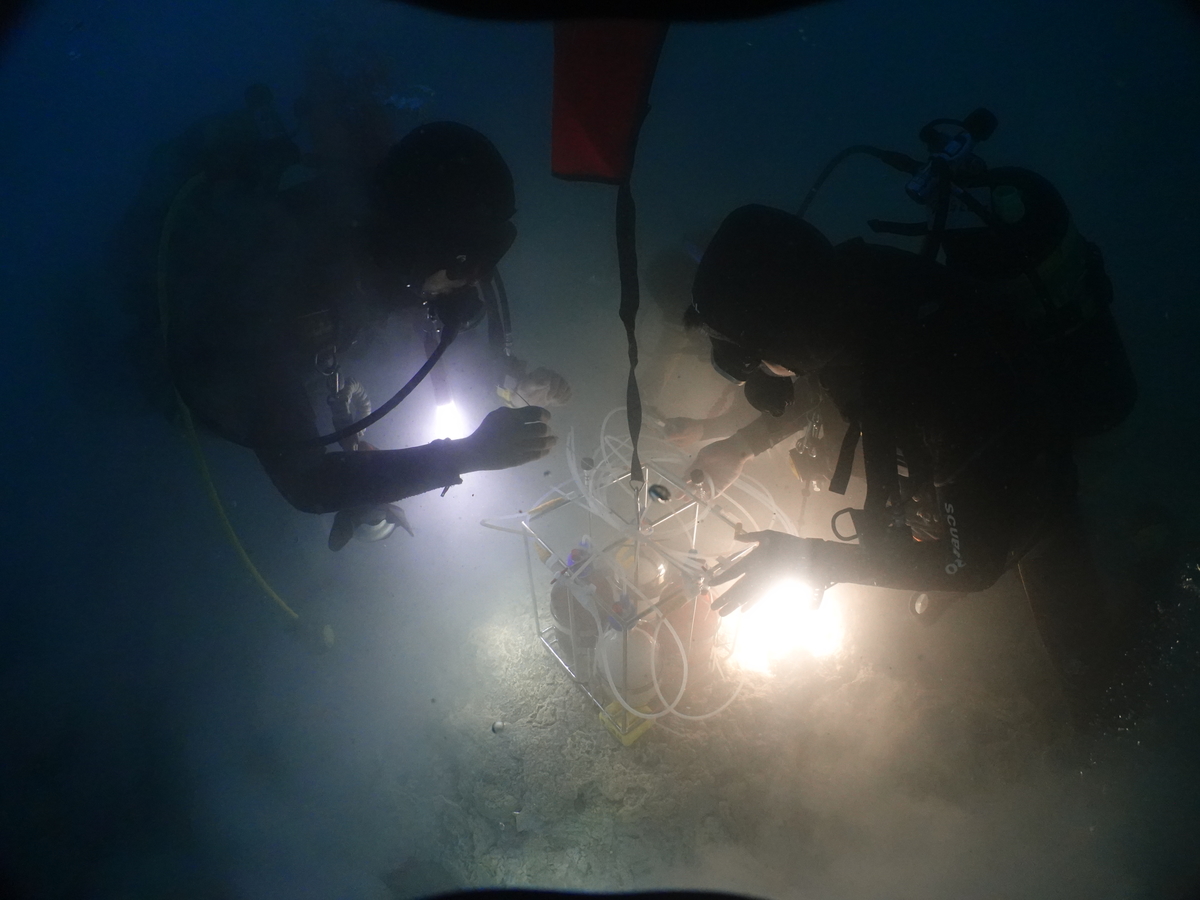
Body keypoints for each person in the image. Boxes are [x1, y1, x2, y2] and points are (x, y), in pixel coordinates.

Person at [685, 177, 1142, 723]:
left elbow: (972, 563)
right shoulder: (847, 298)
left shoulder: (934, 375)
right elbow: (829, 382)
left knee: (1100, 697)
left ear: (785, 334)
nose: (751, 377)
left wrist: (813, 560)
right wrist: (739, 446)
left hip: (1028, 492)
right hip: (963, 464)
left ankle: (1155, 574)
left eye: (747, 358)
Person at [130, 81, 569, 548]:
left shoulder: (383, 217)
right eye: (463, 265)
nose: (467, 283)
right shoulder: (281, 287)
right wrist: (467, 454)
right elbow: (308, 483)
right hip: (212, 370)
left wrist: (510, 375)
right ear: (418, 246)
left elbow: (430, 316)